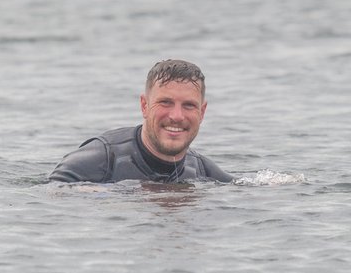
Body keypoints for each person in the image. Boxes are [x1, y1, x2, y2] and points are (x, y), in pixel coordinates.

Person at [49, 59, 233, 183]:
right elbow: (51, 194)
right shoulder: (102, 160)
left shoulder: (204, 172)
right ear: (144, 106)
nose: (177, 116)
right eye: (165, 102)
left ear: (202, 112)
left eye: (189, 105)